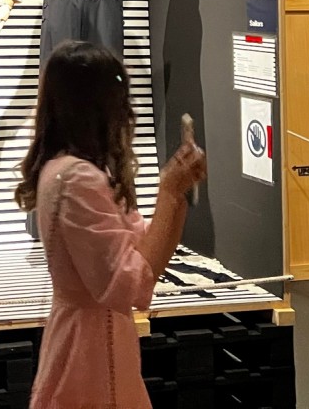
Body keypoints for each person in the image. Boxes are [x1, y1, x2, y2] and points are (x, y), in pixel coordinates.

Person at [16, 41, 207, 409]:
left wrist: (176, 192)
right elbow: (131, 284)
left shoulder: (75, 171)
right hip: (89, 355)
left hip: (94, 344)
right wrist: (169, 192)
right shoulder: (77, 179)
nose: (127, 110)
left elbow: (142, 257)